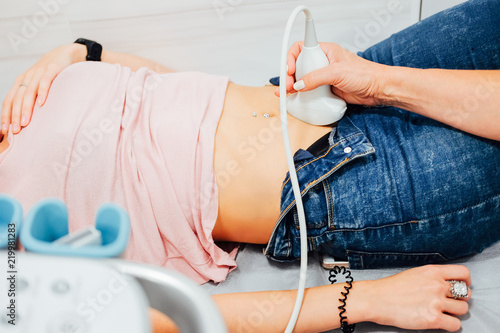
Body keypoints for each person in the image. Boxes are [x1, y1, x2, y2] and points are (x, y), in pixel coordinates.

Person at [1, 0, 499, 331]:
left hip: (326, 85)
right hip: (337, 181)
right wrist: (366, 301)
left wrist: (85, 53)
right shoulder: (11, 264)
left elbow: (159, 98)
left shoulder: (15, 107)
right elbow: (171, 316)